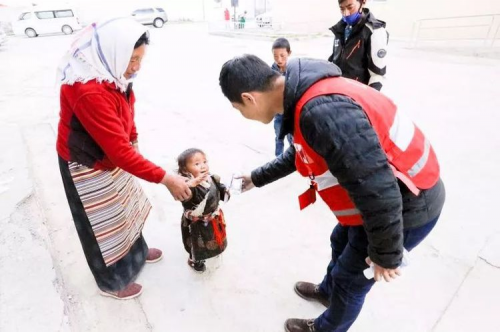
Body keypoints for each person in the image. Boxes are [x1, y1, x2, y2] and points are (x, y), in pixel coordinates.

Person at [219, 54, 445, 332]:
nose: (243, 115)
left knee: (351, 279)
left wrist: (385, 255)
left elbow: (378, 190)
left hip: (409, 205)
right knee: (340, 240)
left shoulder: (320, 111)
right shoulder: (302, 92)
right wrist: (256, 177)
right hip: (392, 195)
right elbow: (301, 151)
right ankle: (328, 292)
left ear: (249, 98)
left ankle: (325, 328)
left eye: (237, 108)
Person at [56, 18, 191, 300]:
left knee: (125, 210)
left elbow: (127, 114)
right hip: (86, 162)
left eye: (140, 58)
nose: (136, 66)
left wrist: (135, 142)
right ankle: (111, 282)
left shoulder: (114, 73)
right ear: (113, 52)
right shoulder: (87, 90)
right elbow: (118, 151)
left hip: (112, 153)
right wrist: (166, 179)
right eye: (132, 58)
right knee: (99, 223)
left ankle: (137, 256)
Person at [177, 148, 229, 273]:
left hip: (212, 220)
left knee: (213, 239)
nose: (203, 166)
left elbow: (219, 189)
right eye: (197, 164)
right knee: (196, 244)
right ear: (185, 170)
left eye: (205, 162)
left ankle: (212, 252)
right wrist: (190, 185)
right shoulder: (188, 188)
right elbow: (184, 196)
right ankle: (196, 260)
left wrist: (226, 190)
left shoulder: (212, 178)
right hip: (196, 224)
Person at [328, 0, 389, 91]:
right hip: (338, 91)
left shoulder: (374, 31)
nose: (346, 13)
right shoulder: (340, 28)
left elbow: (377, 75)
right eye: (342, 8)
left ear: (363, 2)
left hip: (357, 93)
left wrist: (368, 98)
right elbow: (334, 60)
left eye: (350, 7)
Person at [271, 37, 293, 156]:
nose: (279, 59)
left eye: (282, 55)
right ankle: (278, 159)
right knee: (279, 136)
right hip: (278, 112)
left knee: (292, 138)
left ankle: (293, 158)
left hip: (290, 112)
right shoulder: (271, 71)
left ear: (289, 53)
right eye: (275, 56)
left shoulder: (293, 70)